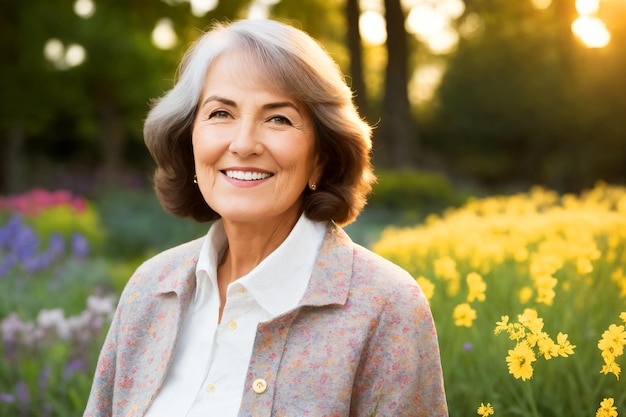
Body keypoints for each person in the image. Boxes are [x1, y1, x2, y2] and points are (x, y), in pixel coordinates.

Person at [84, 18, 448, 417]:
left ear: (321, 158)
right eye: (221, 113)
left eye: (278, 118)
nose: (243, 144)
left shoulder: (384, 306)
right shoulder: (149, 289)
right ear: (190, 140)